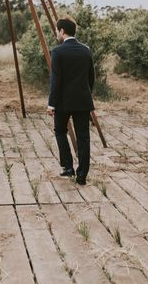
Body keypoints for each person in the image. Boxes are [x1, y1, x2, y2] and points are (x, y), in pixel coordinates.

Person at [47, 16, 95, 185]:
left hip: (63, 103)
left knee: (60, 131)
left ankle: (67, 167)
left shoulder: (57, 52)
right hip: (83, 101)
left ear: (62, 31)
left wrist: (51, 104)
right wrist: (86, 94)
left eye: (57, 31)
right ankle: (82, 176)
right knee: (84, 137)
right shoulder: (86, 50)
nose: (56, 34)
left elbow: (56, 81)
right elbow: (91, 78)